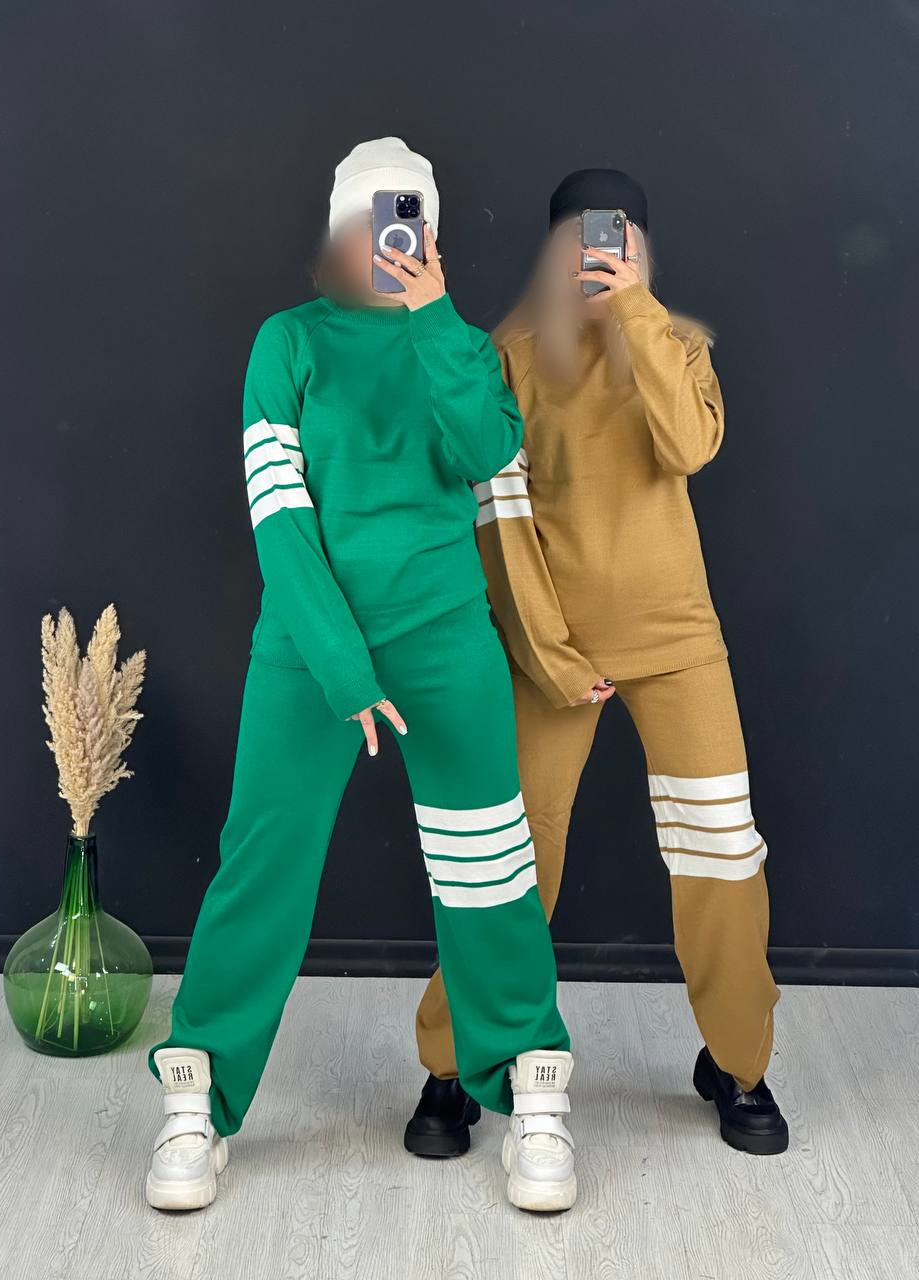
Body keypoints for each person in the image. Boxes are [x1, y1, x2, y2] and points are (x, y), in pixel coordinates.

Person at [144, 138, 577, 1214]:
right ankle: (196, 1097)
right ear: (340, 225)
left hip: (446, 640)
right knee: (262, 866)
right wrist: (342, 668)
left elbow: (483, 453)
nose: (389, 236)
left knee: (488, 865)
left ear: (430, 230)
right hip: (309, 646)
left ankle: (532, 1088)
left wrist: (433, 320)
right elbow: (279, 516)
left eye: (409, 216)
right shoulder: (285, 342)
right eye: (373, 216)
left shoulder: (461, 345)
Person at [410, 168, 788, 1158]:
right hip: (552, 649)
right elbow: (500, 523)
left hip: (677, 640)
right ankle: (450, 1060)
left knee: (721, 854)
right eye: (579, 239)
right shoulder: (508, 358)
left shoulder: (676, 344)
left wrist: (635, 312)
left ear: (641, 249)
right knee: (504, 862)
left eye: (616, 239)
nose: (598, 254)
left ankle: (738, 1064)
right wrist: (548, 654)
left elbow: (689, 445)